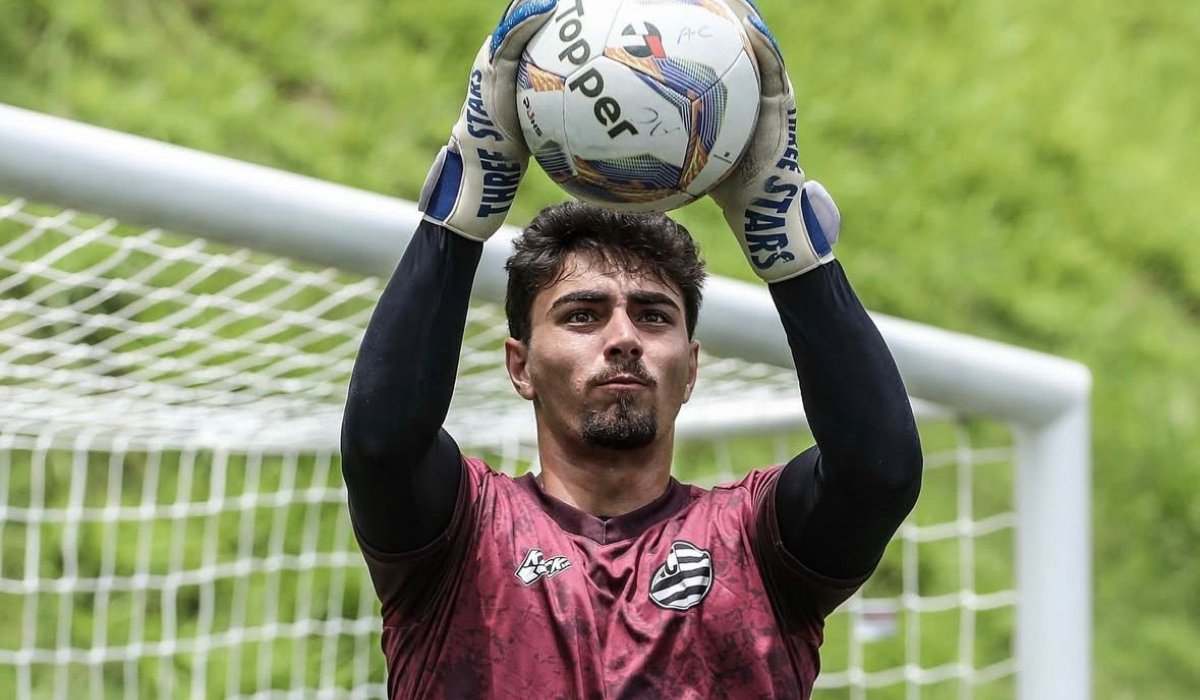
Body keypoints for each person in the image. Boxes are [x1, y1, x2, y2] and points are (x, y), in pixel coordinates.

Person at [341, 0, 922, 697]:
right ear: (521, 365)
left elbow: (879, 473)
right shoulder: (463, 532)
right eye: (583, 316)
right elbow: (381, 446)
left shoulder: (757, 545)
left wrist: (788, 247)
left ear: (691, 368)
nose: (623, 338)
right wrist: (467, 205)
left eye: (652, 317)